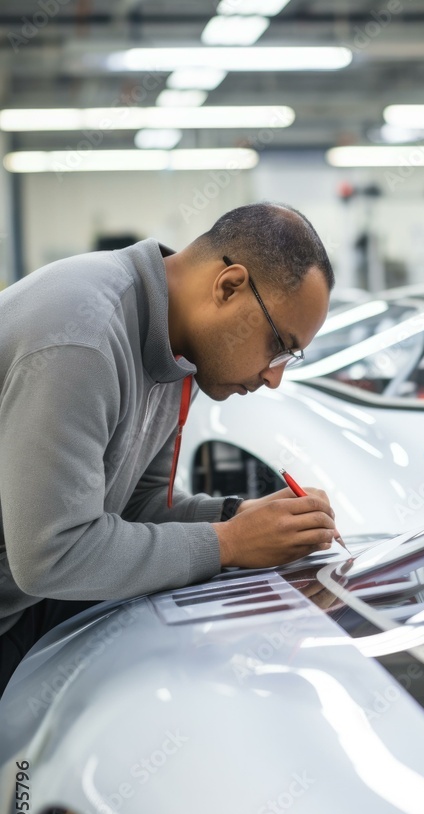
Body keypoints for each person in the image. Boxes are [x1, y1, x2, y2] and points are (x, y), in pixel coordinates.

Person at [0, 202, 337, 692]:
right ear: (229, 287)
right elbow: (52, 554)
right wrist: (231, 542)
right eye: (277, 345)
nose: (274, 376)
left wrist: (240, 517)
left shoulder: (180, 352)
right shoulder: (83, 337)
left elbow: (137, 508)